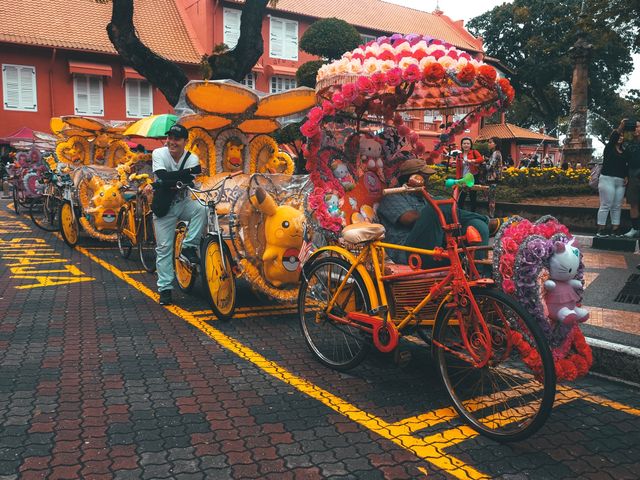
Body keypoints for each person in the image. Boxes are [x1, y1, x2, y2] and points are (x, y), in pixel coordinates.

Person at [377, 158, 503, 271]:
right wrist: (435, 211)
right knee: (437, 208)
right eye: (424, 177)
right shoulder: (392, 197)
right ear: (413, 178)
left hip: (438, 244)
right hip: (409, 251)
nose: (427, 180)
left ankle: (479, 275)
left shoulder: (426, 196)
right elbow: (408, 219)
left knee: (477, 225)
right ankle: (489, 221)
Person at [152, 124, 207, 305]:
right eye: (170, 138)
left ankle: (188, 246)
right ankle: (165, 289)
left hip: (183, 203)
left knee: (203, 209)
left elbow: (172, 180)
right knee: (164, 248)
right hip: (164, 208)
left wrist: (167, 180)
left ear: (185, 141)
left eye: (177, 139)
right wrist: (190, 172)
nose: (172, 142)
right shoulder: (159, 154)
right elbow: (162, 177)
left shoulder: (192, 157)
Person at [596, 121, 628, 237]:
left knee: (617, 205)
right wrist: (621, 127)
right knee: (606, 204)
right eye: (618, 136)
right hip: (607, 179)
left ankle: (615, 228)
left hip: (620, 181)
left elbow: (625, 165)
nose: (620, 137)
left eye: (622, 136)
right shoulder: (609, 148)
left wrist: (626, 176)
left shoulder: (624, 151)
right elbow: (614, 136)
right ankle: (601, 228)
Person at [621, 118, 640, 237]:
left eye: (638, 126)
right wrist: (625, 175)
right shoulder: (630, 145)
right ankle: (635, 228)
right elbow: (625, 162)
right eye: (635, 127)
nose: (636, 129)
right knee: (633, 203)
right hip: (633, 176)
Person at [457, 137, 484, 211]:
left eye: (468, 143)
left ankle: (473, 211)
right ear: (461, 145)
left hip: (473, 176)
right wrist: (458, 179)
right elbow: (458, 168)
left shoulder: (474, 152)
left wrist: (472, 160)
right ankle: (459, 211)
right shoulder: (460, 155)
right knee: (462, 195)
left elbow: (481, 159)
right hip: (463, 177)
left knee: (473, 195)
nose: (466, 145)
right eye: (464, 143)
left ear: (470, 145)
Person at [485, 137, 503, 217]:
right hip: (494, 178)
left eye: (490, 142)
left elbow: (490, 166)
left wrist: (484, 163)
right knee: (491, 198)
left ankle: (491, 216)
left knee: (491, 199)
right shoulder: (497, 153)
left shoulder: (496, 153)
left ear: (495, 144)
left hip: (493, 178)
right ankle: (491, 215)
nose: (489, 144)